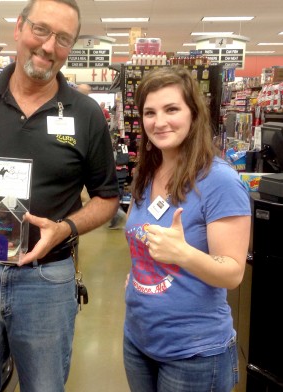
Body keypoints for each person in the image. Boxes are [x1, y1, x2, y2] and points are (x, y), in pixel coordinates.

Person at [0, 0, 119, 390]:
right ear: (18, 28)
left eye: (63, 39)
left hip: (47, 280)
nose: (49, 47)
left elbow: (107, 198)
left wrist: (65, 228)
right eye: (42, 30)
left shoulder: (85, 114)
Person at [123, 66, 251, 392]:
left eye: (171, 109)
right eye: (149, 112)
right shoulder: (147, 173)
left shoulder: (219, 180)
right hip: (139, 339)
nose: (159, 121)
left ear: (194, 114)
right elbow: (141, 239)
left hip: (193, 352)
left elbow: (233, 272)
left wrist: (182, 254)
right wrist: (138, 272)